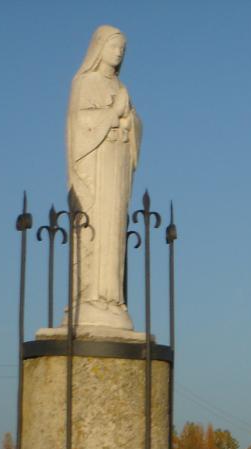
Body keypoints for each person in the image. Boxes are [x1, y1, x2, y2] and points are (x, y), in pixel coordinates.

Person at [66, 25, 142, 331]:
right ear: (99, 49)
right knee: (94, 227)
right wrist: (113, 114)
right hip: (95, 166)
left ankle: (112, 298)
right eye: (114, 46)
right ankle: (91, 297)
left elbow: (134, 123)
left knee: (114, 228)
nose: (119, 52)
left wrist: (130, 120)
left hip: (116, 161)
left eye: (122, 48)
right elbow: (78, 123)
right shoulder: (85, 82)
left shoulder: (122, 87)